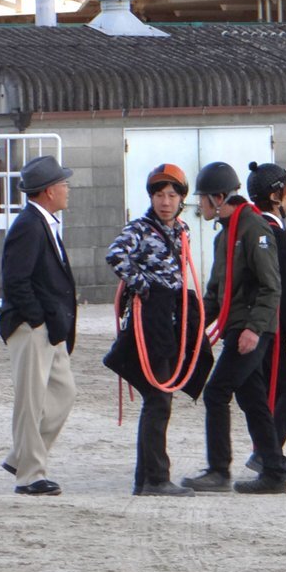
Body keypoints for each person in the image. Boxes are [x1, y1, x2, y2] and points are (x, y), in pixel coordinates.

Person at [180, 161, 286, 495]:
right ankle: (273, 471)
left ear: (219, 197)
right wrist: (195, 326)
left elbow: (272, 286)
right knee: (252, 399)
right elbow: (216, 294)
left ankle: (218, 470)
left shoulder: (254, 228)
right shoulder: (225, 235)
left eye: (203, 199)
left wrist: (254, 330)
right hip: (236, 328)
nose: (200, 205)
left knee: (216, 393)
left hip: (252, 329)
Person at [105, 164, 206, 497]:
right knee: (158, 398)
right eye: (160, 195)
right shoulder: (140, 228)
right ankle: (156, 479)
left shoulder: (182, 230)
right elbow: (116, 254)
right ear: (151, 197)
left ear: (181, 199)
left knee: (159, 397)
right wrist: (142, 285)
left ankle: (144, 478)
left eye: (172, 195)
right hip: (149, 316)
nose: (166, 201)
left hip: (172, 316)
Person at [0, 155, 78, 496]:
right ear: (48, 192)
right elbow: (16, 280)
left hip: (50, 328)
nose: (67, 189)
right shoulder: (29, 225)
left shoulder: (44, 221)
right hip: (32, 328)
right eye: (63, 184)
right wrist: (37, 320)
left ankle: (21, 455)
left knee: (64, 393)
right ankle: (29, 475)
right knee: (30, 401)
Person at [243, 161, 286, 481]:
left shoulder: (262, 226)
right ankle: (266, 453)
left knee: (284, 387)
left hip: (268, 323)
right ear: (274, 195)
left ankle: (273, 453)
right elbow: (283, 284)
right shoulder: (271, 230)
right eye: (285, 189)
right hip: (276, 325)